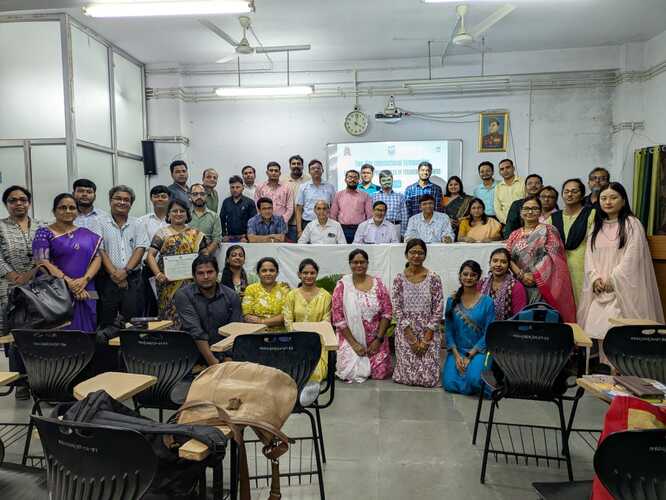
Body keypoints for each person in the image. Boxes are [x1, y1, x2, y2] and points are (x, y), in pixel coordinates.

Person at [577, 182, 664, 363]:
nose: (608, 202)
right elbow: (589, 256)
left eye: (613, 197)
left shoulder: (632, 224)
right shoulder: (596, 226)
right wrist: (594, 278)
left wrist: (613, 279)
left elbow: (632, 257)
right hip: (600, 289)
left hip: (622, 289)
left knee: (619, 333)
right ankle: (606, 371)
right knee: (600, 332)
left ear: (623, 200)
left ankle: (622, 374)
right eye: (603, 198)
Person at [32, 193, 102, 332]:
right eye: (62, 207)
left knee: (87, 335)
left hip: (86, 290)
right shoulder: (44, 233)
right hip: (57, 293)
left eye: (72, 208)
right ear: (54, 211)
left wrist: (84, 280)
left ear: (77, 211)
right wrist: (69, 283)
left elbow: (97, 258)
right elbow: (42, 262)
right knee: (60, 337)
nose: (68, 211)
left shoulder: (87, 234)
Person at [505, 196, 576, 322]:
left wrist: (535, 275)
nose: (530, 211)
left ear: (540, 211)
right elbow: (507, 258)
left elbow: (554, 256)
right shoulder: (514, 235)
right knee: (521, 319)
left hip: (543, 284)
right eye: (526, 208)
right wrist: (521, 275)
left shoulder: (549, 230)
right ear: (520, 212)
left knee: (541, 319)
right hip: (519, 284)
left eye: (534, 208)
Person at [0, 186, 41, 398]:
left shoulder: (41, 226)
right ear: (6, 204)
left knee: (39, 334)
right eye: (13, 200)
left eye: (23, 199)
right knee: (16, 335)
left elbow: (46, 254)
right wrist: (13, 276)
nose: (18, 203)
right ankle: (21, 382)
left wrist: (32, 273)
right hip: (9, 288)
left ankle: (41, 381)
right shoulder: (1, 226)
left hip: (38, 288)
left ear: (29, 203)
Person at [332, 249, 393, 383]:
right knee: (350, 372)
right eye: (355, 262)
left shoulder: (378, 284)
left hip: (376, 338)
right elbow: (338, 319)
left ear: (367, 263)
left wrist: (378, 340)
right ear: (350, 264)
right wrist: (354, 344)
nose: (359, 265)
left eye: (362, 262)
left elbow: (387, 312)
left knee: (380, 373)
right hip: (351, 337)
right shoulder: (343, 286)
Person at [392, 239, 443, 387]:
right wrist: (411, 338)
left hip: (428, 329)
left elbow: (439, 307)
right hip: (406, 329)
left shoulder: (433, 278)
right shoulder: (399, 279)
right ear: (406, 255)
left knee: (428, 379)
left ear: (425, 255)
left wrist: (426, 338)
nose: (416, 256)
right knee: (405, 377)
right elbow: (396, 307)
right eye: (412, 252)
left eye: (420, 253)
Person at [146, 200, 208, 321]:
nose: (178, 214)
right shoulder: (162, 233)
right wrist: (158, 274)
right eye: (174, 211)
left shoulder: (196, 234)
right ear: (168, 214)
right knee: (168, 318)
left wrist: (201, 273)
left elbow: (205, 256)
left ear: (187, 214)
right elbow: (150, 256)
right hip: (167, 284)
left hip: (191, 283)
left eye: (182, 211)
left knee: (191, 315)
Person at [174, 254, 242, 366]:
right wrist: (213, 363)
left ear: (217, 273)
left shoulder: (231, 296)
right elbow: (195, 330)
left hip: (226, 354)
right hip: (192, 357)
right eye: (200, 273)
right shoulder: (184, 295)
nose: (206, 276)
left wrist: (228, 359)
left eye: (210, 272)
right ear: (194, 276)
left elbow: (235, 330)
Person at [97, 185, 148, 327]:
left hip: (133, 279)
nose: (122, 202)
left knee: (133, 322)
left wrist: (125, 272)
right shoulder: (99, 222)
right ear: (110, 200)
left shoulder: (138, 223)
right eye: (118, 198)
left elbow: (140, 248)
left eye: (126, 200)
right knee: (107, 323)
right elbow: (100, 250)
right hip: (107, 279)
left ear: (131, 204)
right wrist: (115, 274)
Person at [442, 260, 495, 395]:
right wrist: (456, 355)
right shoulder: (452, 300)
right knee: (449, 383)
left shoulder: (488, 302)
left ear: (478, 277)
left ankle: (478, 379)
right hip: (457, 350)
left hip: (479, 351)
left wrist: (469, 355)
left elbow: (489, 332)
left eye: (473, 275)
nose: (468, 277)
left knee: (475, 379)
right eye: (465, 274)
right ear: (460, 276)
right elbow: (449, 330)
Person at [283, 259, 332, 382]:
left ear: (317, 274)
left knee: (316, 373)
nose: (309, 276)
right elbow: (288, 321)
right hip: (296, 341)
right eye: (305, 273)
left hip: (318, 341)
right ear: (299, 274)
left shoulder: (325, 296)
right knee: (295, 373)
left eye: (312, 273)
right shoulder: (292, 295)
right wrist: (299, 338)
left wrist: (313, 338)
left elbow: (326, 321)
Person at [548, 178, 594, 304]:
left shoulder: (591, 214)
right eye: (566, 191)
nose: (569, 194)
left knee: (584, 303)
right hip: (560, 269)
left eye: (574, 191)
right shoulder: (553, 218)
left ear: (582, 194)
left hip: (585, 266)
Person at [138, 185, 170, 317]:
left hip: (171, 269)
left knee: (169, 301)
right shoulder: (142, 221)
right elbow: (140, 246)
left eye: (163, 196)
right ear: (151, 199)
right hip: (149, 269)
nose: (160, 199)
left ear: (169, 199)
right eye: (156, 196)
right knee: (150, 304)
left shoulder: (175, 219)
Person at [478, 248, 528, 320]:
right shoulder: (481, 284)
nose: (498, 265)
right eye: (495, 261)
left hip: (507, 325)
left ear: (508, 265)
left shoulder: (516, 287)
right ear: (489, 263)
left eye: (503, 262)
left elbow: (519, 317)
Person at [242, 257, 289, 331]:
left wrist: (261, 321)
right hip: (256, 333)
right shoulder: (251, 289)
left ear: (277, 273)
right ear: (258, 273)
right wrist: (273, 320)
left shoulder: (284, 289)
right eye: (264, 271)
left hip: (280, 334)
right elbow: (247, 316)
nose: (268, 273)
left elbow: (286, 316)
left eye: (272, 270)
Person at [295, 159, 336, 238]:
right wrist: (299, 231)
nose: (316, 170)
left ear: (322, 170)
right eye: (313, 168)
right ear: (309, 172)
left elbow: (334, 208)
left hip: (326, 223)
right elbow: (298, 209)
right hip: (307, 222)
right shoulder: (303, 187)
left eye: (318, 168)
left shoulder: (330, 187)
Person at [330, 169, 373, 243]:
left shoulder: (365, 195)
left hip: (360, 229)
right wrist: (335, 229)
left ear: (359, 180)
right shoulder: (338, 195)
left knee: (359, 250)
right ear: (345, 180)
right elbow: (333, 214)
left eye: (355, 177)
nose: (352, 180)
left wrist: (367, 229)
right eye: (350, 177)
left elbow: (369, 215)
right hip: (342, 229)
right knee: (343, 249)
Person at [502, 174, 544, 239]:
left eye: (537, 183)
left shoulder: (547, 203)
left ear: (542, 187)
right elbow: (510, 226)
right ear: (525, 187)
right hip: (521, 239)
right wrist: (509, 239)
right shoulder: (517, 204)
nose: (533, 185)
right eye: (530, 183)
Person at [254, 161, 294, 226]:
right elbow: (257, 206)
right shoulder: (260, 187)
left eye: (276, 171)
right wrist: (263, 220)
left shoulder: (287, 188)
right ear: (267, 173)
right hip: (263, 224)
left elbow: (290, 208)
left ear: (280, 173)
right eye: (271, 170)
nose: (273, 173)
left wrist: (282, 221)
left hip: (281, 224)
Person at [372, 170, 408, 239]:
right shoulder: (374, 196)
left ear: (392, 180)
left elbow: (404, 216)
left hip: (395, 226)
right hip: (379, 226)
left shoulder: (400, 196)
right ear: (380, 182)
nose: (386, 182)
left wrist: (403, 232)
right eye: (384, 180)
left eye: (388, 180)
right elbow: (372, 214)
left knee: (396, 245)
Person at [220, 175, 256, 243]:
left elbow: (253, 222)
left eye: (237, 187)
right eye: (232, 187)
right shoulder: (226, 202)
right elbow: (222, 220)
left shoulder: (250, 202)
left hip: (245, 238)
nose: (235, 190)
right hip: (229, 238)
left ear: (243, 188)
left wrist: (247, 237)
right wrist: (224, 235)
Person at [188, 183, 222, 255]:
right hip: (187, 254)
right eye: (195, 194)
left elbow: (217, 239)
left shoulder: (214, 216)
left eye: (202, 194)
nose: (199, 197)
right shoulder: (185, 215)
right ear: (190, 196)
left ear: (206, 196)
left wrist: (207, 252)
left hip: (207, 255)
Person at [282, 155, 310, 242]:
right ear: (290, 166)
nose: (296, 165)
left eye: (298, 163)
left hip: (305, 223)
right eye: (293, 163)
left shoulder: (309, 180)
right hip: (288, 223)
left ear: (302, 166)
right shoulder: (282, 180)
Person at [493, 159, 524, 224]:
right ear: (500, 172)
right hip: (506, 222)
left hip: (524, 221)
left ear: (513, 168)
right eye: (502, 169)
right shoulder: (498, 187)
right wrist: (507, 221)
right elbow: (497, 208)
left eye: (508, 167)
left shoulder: (524, 182)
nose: (505, 171)